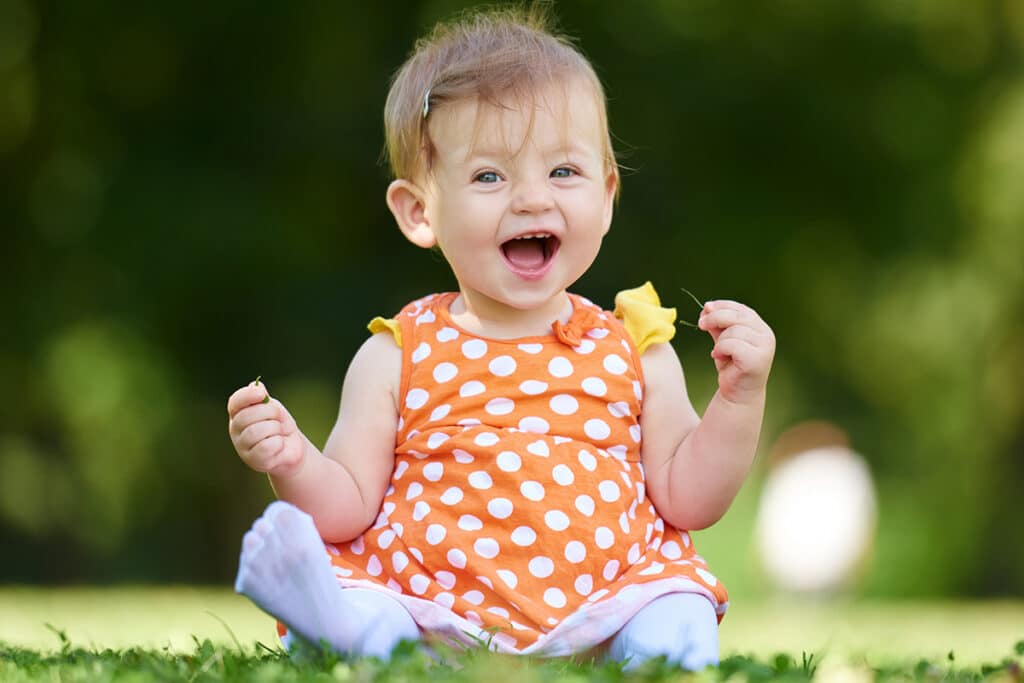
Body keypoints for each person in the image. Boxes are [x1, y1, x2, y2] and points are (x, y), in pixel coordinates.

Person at [226, 5, 774, 671]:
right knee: (373, 605)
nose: (532, 200)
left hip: (610, 597)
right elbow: (347, 507)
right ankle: (342, 620)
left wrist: (740, 399)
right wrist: (292, 460)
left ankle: (664, 657)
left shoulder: (635, 346)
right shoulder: (398, 352)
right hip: (431, 604)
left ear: (606, 197)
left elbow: (690, 496)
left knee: (674, 604)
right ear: (419, 210)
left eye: (563, 172)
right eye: (490, 176)